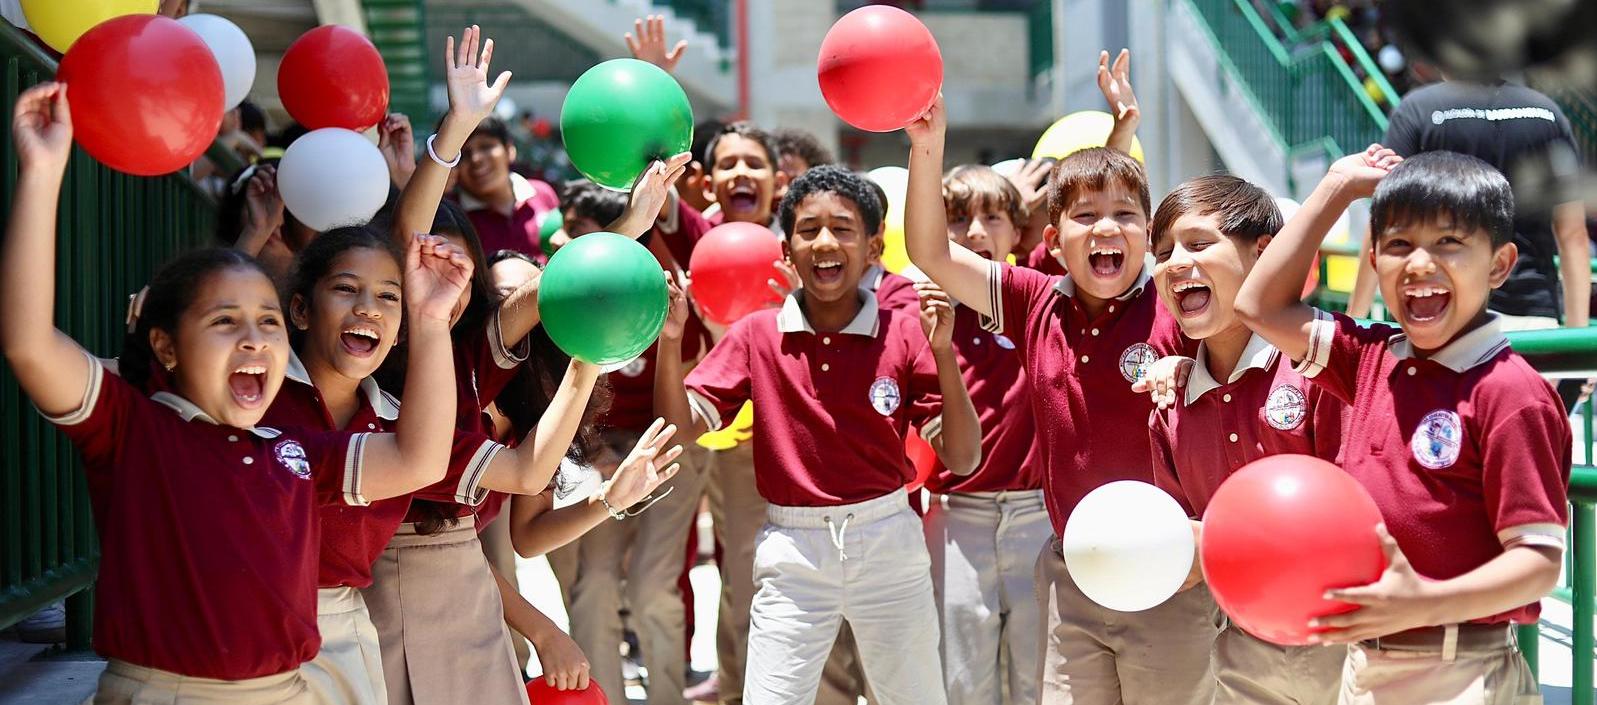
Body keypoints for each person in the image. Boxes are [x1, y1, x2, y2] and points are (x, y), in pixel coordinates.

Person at [2, 82, 469, 704]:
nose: (254, 339)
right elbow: (30, 343)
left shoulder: (294, 452)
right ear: (167, 347)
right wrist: (41, 173)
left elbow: (419, 459)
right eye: (225, 322)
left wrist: (432, 323)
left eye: (267, 322)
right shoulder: (133, 427)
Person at [903, 90, 1216, 705]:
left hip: (1172, 579)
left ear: (1149, 235)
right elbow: (931, 253)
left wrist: (1190, 369)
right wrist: (927, 146)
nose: (1106, 227)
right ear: (1053, 236)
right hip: (1072, 574)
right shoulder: (1033, 299)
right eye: (1086, 216)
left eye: (1126, 215)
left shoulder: (1180, 302)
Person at [1236, 147, 1569, 705]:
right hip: (1366, 667)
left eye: (1448, 243)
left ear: (1499, 265)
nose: (1419, 264)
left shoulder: (1510, 392)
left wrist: (1422, 602)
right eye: (1398, 245)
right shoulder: (1369, 358)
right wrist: (1337, 187)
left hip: (1462, 671)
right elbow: (1259, 306)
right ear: (1372, 259)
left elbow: (1537, 564)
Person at [655, 165, 982, 705]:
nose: (825, 242)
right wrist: (671, 341)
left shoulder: (904, 332)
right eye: (808, 229)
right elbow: (680, 427)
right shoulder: (756, 334)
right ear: (787, 250)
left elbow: (963, 456)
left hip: (888, 544)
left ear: (874, 247)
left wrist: (944, 351)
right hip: (793, 551)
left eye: (843, 228)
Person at [1139, 175, 1348, 705]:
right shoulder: (1170, 406)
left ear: (1264, 253)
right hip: (1245, 651)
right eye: (1161, 253)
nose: (1174, 263)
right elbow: (1186, 560)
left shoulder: (1325, 367)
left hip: (1354, 644)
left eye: (1199, 243)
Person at [918, 164, 1049, 705]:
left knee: (1039, 683)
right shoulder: (917, 310)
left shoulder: (1037, 298)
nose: (973, 233)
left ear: (1018, 233)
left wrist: (1118, 134)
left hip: (1041, 516)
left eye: (992, 218)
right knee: (962, 683)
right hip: (955, 518)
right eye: (955, 219)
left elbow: (1085, 233)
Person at [1347, 77, 1589, 332]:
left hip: (1439, 313)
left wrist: (1354, 322)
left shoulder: (1419, 108)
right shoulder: (1547, 113)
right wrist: (1577, 341)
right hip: (1531, 316)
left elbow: (1383, 223)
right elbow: (1573, 235)